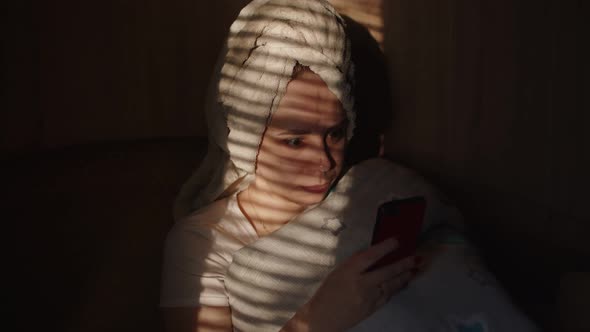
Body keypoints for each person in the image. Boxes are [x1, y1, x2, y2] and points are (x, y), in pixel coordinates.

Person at [160, 1, 538, 331]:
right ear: (244, 136)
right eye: (294, 140)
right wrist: (316, 320)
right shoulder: (202, 243)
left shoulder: (367, 193)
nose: (324, 162)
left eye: (336, 134)